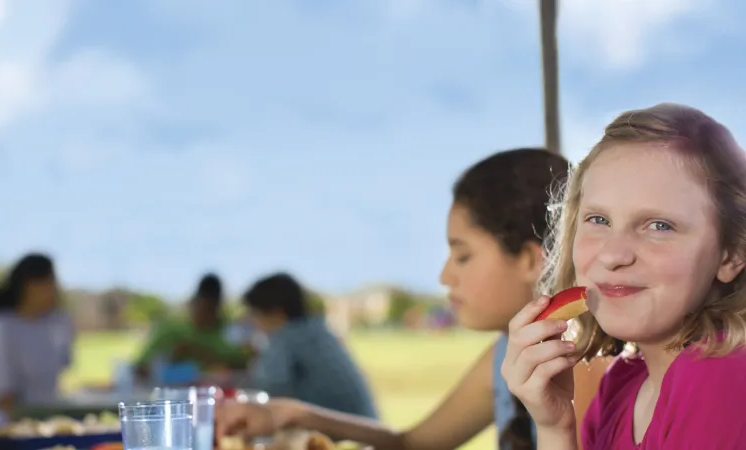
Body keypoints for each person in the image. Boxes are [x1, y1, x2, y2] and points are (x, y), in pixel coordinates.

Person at [217, 148, 611, 450]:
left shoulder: (582, 362)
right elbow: (414, 443)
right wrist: (293, 413)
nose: (444, 275)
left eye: (462, 255)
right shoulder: (506, 354)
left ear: (528, 259)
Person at [502, 103, 746, 449]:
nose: (614, 255)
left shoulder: (719, 376)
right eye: (598, 220)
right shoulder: (623, 382)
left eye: (659, 226)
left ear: (732, 253)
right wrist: (555, 427)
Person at [242, 272, 377, 418]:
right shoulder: (316, 329)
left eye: (255, 313)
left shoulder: (286, 338)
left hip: (339, 435)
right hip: (366, 429)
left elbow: (267, 392)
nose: (253, 322)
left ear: (276, 312)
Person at [0, 253, 74, 426]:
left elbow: (60, 368)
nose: (56, 289)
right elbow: (4, 399)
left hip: (43, 426)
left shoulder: (54, 324)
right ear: (30, 285)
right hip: (4, 430)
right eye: (50, 282)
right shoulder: (0, 328)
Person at [133, 273, 250, 376]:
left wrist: (204, 356)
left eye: (211, 308)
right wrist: (170, 359)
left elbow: (244, 368)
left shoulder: (230, 331)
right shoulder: (170, 330)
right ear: (193, 302)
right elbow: (139, 368)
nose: (205, 314)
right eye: (202, 306)